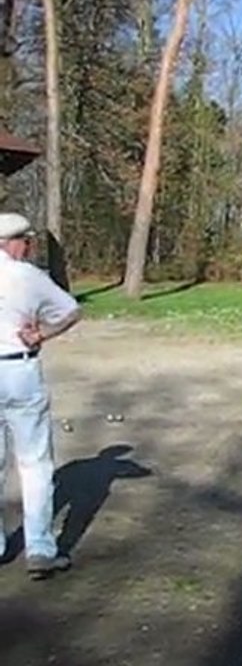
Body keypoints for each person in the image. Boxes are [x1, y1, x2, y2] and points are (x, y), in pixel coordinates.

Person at [0, 212, 82, 579]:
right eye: (26, 241)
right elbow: (70, 310)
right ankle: (40, 547)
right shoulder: (28, 275)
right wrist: (42, 334)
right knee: (34, 462)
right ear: (12, 242)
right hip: (19, 370)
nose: (28, 247)